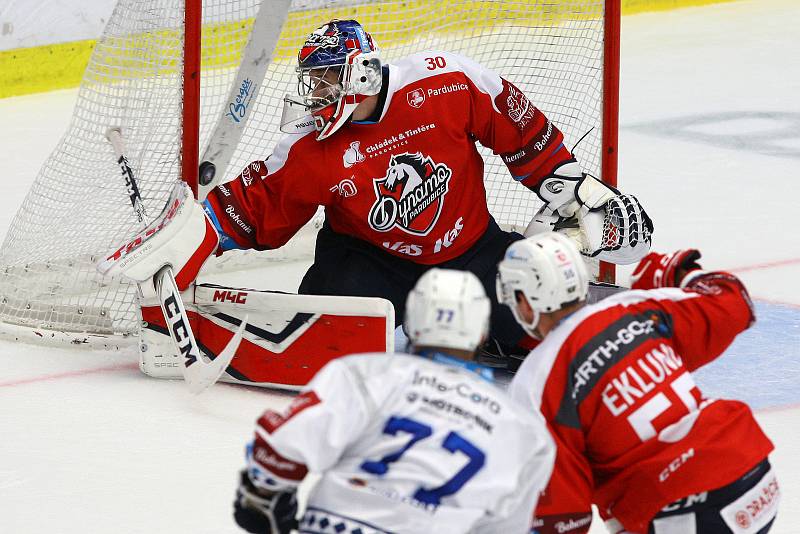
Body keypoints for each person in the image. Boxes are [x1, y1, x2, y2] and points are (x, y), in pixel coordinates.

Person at [105, 18, 651, 361]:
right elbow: (245, 211)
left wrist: (573, 193)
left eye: (324, 81)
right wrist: (193, 237)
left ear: (361, 74)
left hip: (471, 249)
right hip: (368, 263)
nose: (314, 95)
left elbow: (524, 134)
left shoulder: (446, 82)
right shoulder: (309, 148)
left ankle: (491, 328)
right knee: (335, 347)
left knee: (542, 332)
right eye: (310, 84)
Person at [232, 268, 555, 533]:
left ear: (412, 321)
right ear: (482, 332)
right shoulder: (524, 429)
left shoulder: (363, 373)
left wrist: (265, 497)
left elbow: (280, 449)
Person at [495, 233, 779, 534]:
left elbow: (561, 518)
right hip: (753, 476)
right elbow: (735, 304)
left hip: (683, 509)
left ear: (526, 302)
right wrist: (678, 272)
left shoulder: (535, 383)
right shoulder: (637, 306)